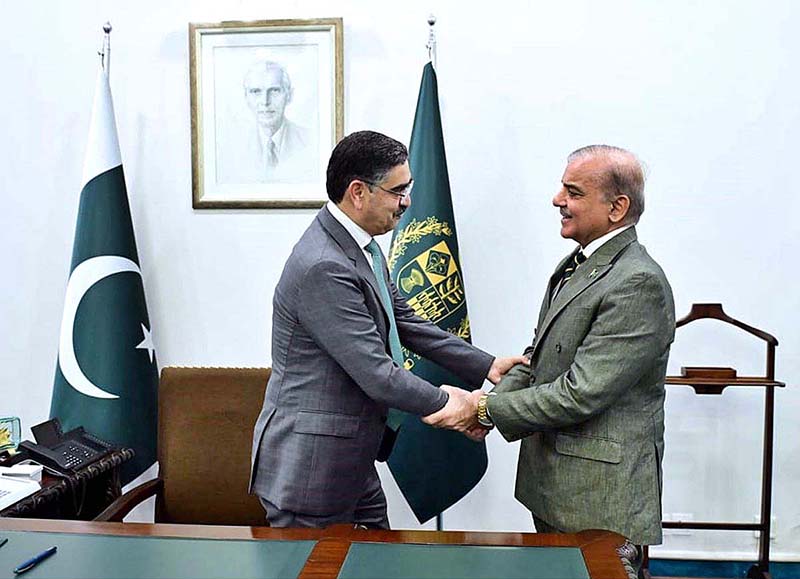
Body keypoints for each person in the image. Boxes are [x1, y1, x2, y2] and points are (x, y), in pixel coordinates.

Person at [249, 130, 525, 529]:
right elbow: (378, 375)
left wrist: (488, 365)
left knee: (376, 559)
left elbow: (406, 321)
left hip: (351, 456)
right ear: (358, 192)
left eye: (408, 188)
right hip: (311, 468)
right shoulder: (324, 265)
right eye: (397, 191)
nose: (407, 202)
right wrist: (452, 404)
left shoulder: (360, 244)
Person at [425, 145, 675, 564]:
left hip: (600, 498)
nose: (557, 200)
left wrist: (483, 410)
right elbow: (538, 359)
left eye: (573, 192)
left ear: (617, 207)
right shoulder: (577, 265)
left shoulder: (637, 283)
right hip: (557, 485)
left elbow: (582, 392)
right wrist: (488, 403)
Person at [219, 60, 317, 183]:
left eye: (275, 91)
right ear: (246, 97)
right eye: (256, 92)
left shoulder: (311, 141)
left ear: (289, 95)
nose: (265, 101)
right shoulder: (231, 147)